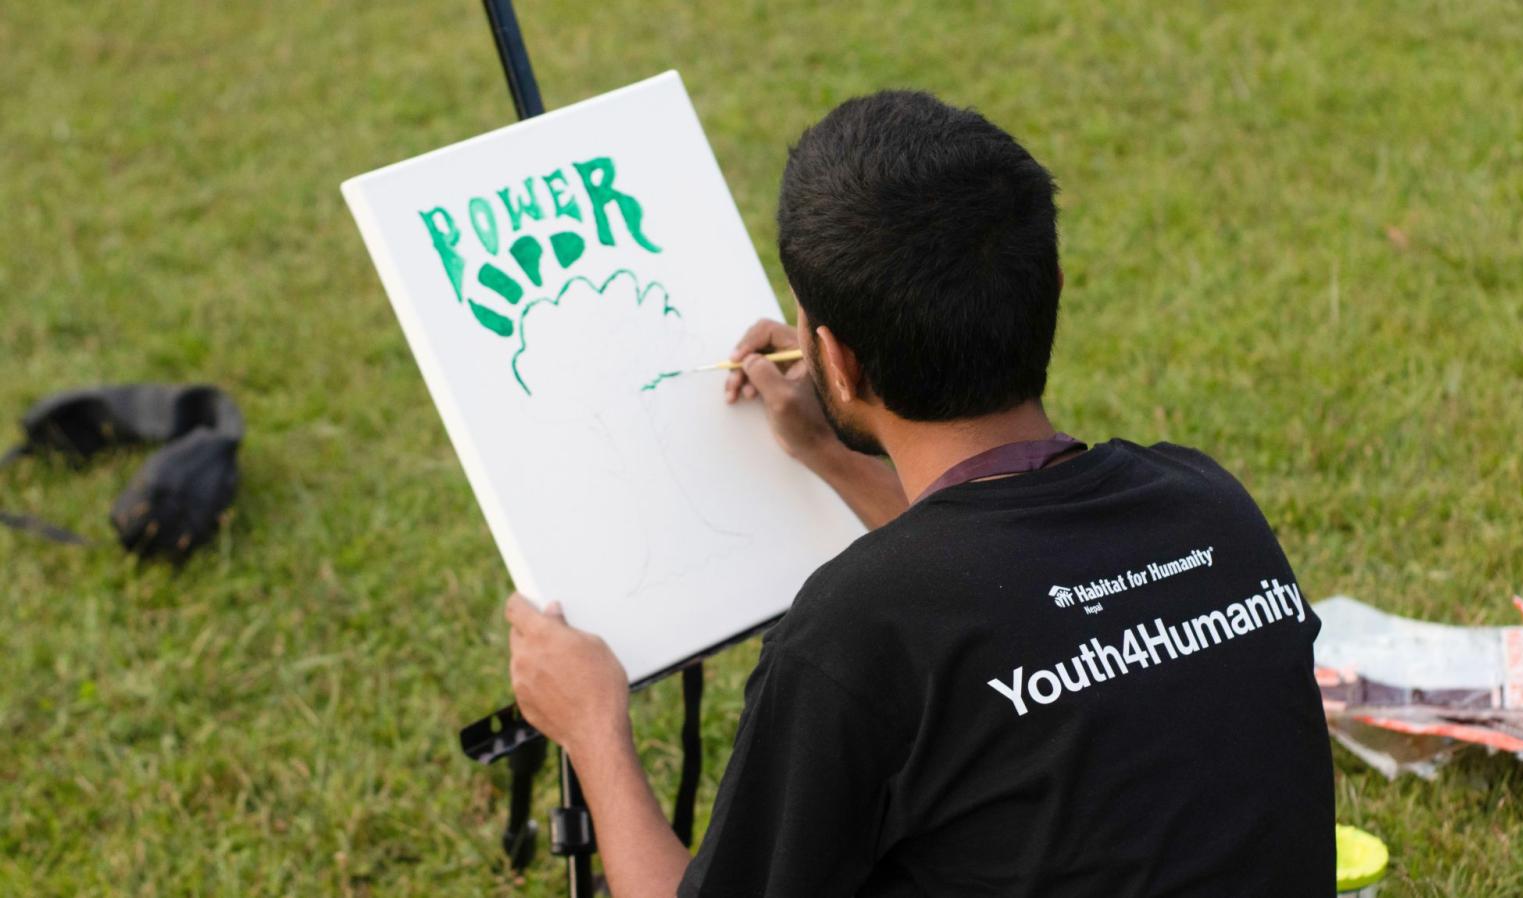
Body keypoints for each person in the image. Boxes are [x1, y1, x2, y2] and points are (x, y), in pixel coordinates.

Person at [504, 90, 1335, 897]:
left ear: (837, 360)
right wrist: (829, 453)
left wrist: (594, 729)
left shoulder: (854, 633)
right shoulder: (1209, 506)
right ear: (1051, 285)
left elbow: (978, 607)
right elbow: (1011, 595)